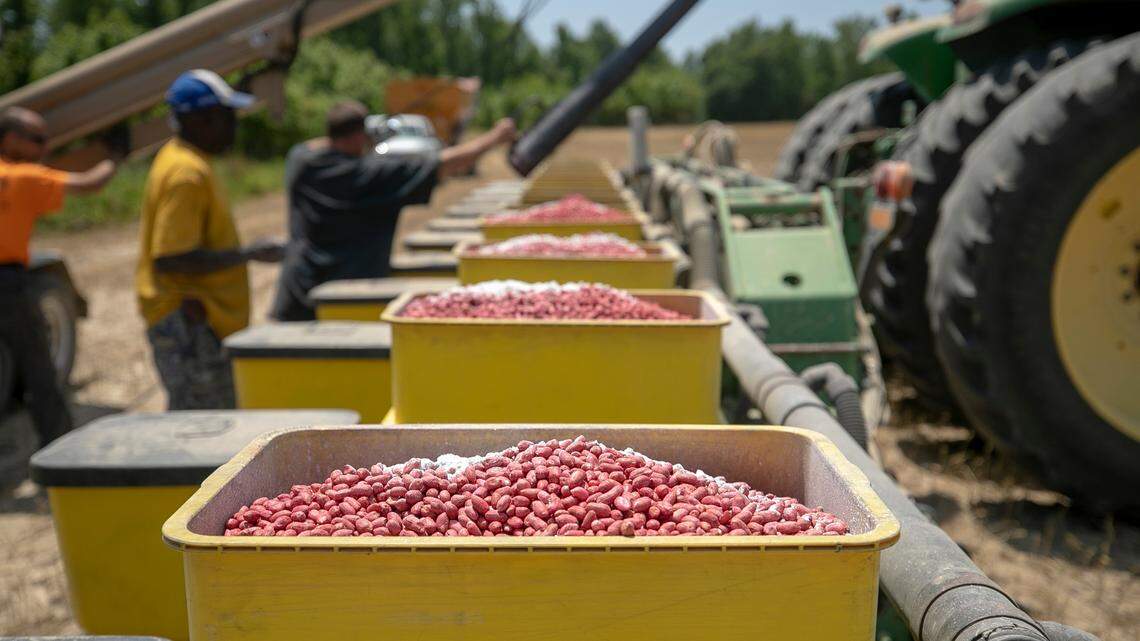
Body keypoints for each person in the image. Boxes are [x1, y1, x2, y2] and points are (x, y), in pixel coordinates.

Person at [269, 100, 516, 321]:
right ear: (358, 136)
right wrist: (495, 137)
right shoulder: (369, 176)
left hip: (297, 295)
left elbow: (311, 146)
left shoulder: (302, 162)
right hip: (350, 301)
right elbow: (444, 164)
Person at [137, 70, 284, 410]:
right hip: (189, 320)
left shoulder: (187, 159)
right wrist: (249, 253)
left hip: (197, 319)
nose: (233, 126)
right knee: (202, 428)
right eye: (226, 116)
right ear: (201, 119)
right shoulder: (186, 174)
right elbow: (171, 256)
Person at [0, 107, 122, 444]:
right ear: (11, 139)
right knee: (39, 371)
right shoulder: (21, 176)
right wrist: (115, 154)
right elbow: (90, 183)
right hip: (7, 285)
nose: (45, 148)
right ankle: (62, 451)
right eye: (38, 140)